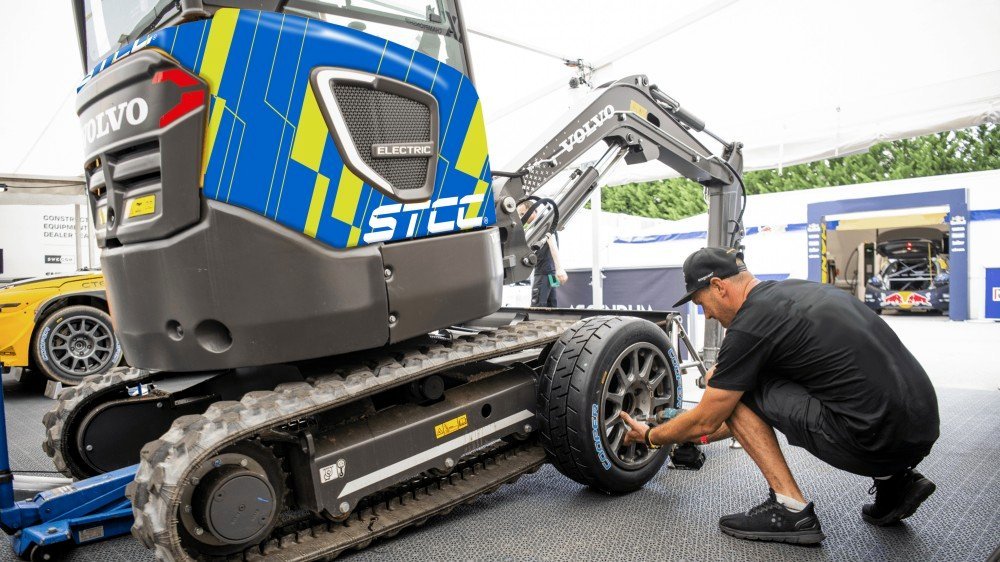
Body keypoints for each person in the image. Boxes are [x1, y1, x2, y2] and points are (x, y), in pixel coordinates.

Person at [620, 247, 939, 545]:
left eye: (702, 304)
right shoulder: (799, 292)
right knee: (759, 385)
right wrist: (688, 432)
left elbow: (709, 418)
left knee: (737, 389)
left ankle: (791, 509)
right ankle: (895, 485)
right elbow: (744, 421)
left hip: (873, 439)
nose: (707, 316)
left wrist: (651, 436)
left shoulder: (750, 325)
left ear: (718, 286)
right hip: (922, 426)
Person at [531, 234, 568, 307]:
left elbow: (552, 243)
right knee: (552, 306)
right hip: (551, 274)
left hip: (544, 274)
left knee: (538, 309)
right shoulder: (551, 225)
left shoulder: (545, 223)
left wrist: (559, 268)